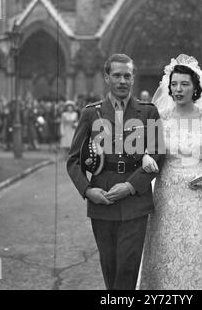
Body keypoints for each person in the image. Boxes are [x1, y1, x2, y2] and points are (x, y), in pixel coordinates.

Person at [67, 54, 164, 290]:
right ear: (107, 78)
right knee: (109, 266)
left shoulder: (148, 112)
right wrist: (88, 191)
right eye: (117, 75)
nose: (122, 81)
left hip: (135, 200)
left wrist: (130, 186)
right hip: (103, 199)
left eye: (127, 76)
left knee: (128, 267)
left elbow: (158, 154)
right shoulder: (92, 113)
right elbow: (73, 161)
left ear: (133, 79)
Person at [138, 54, 202, 289]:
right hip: (165, 192)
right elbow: (146, 149)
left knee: (190, 251)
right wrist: (145, 155)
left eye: (184, 84)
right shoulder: (159, 118)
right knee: (163, 249)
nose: (178, 89)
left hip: (196, 196)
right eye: (174, 84)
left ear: (196, 87)